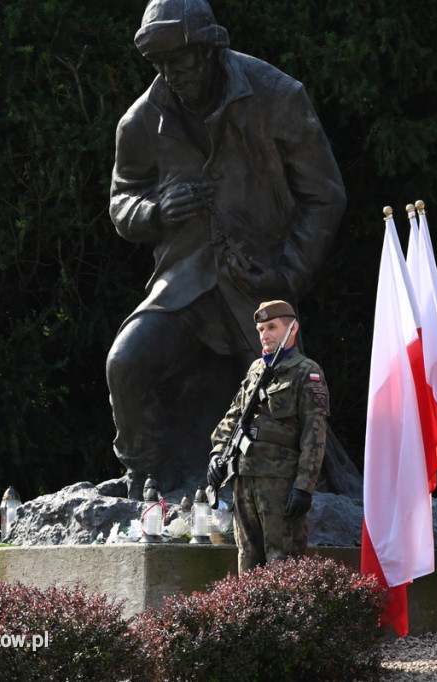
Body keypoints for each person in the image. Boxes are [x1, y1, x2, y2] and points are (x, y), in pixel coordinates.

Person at [106, 0, 345, 499]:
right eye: (161, 64)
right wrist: (156, 210)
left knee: (280, 402)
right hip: (183, 285)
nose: (172, 75)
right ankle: (146, 483)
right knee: (126, 363)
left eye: (182, 60)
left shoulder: (277, 96)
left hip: (256, 287)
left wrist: (285, 275)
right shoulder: (141, 121)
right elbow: (122, 199)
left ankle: (294, 496)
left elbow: (324, 196)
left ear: (211, 48)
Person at [207, 300, 328, 573]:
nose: (265, 335)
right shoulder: (256, 370)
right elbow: (233, 416)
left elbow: (315, 434)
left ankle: (282, 617)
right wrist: (217, 455)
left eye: (272, 327)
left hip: (280, 483)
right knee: (247, 558)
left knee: (282, 562)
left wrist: (303, 486)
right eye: (261, 329)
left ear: (293, 328)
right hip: (244, 478)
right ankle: (250, 616)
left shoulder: (306, 372)